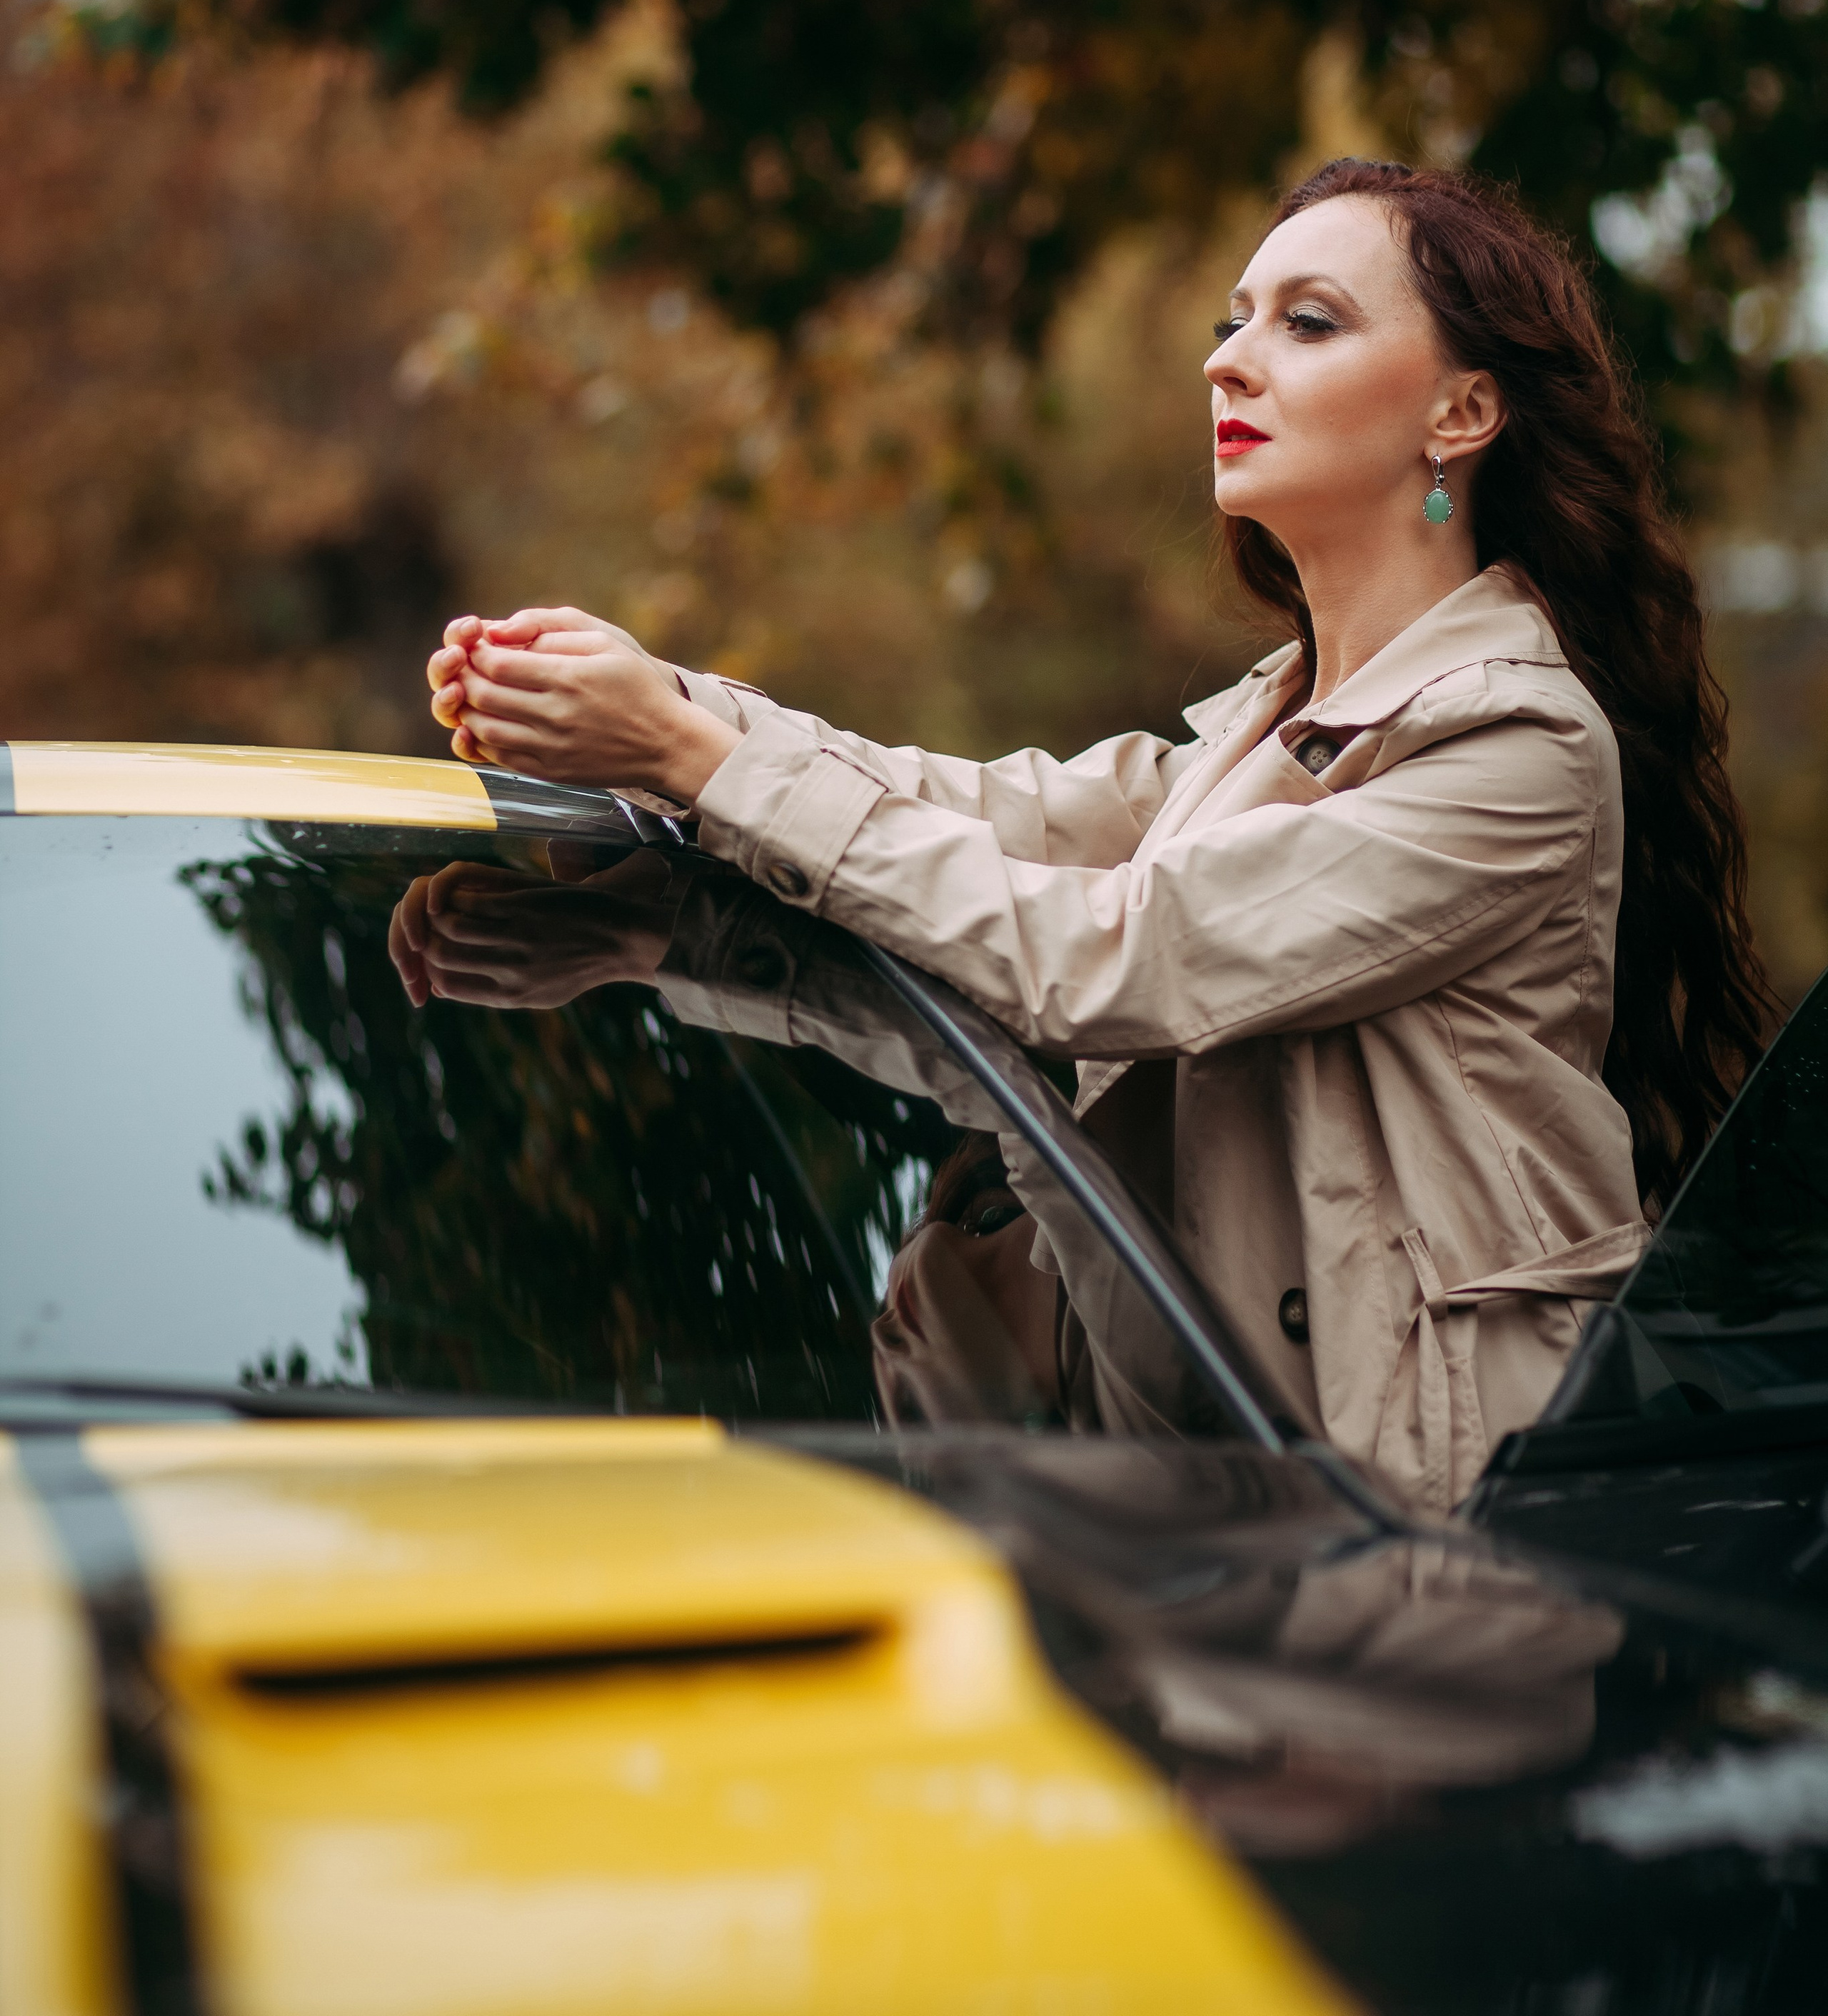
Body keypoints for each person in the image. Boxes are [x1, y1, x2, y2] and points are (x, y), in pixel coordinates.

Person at [420, 160, 1777, 1513]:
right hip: (1213, 1532)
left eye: (1305, 323)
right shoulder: (1259, 733)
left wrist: (682, 752)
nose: (1230, 364)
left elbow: (1113, 963)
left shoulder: (1519, 750)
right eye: (1229, 323)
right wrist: (660, 716)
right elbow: (975, 813)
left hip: (1440, 1554)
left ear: (1462, 411)